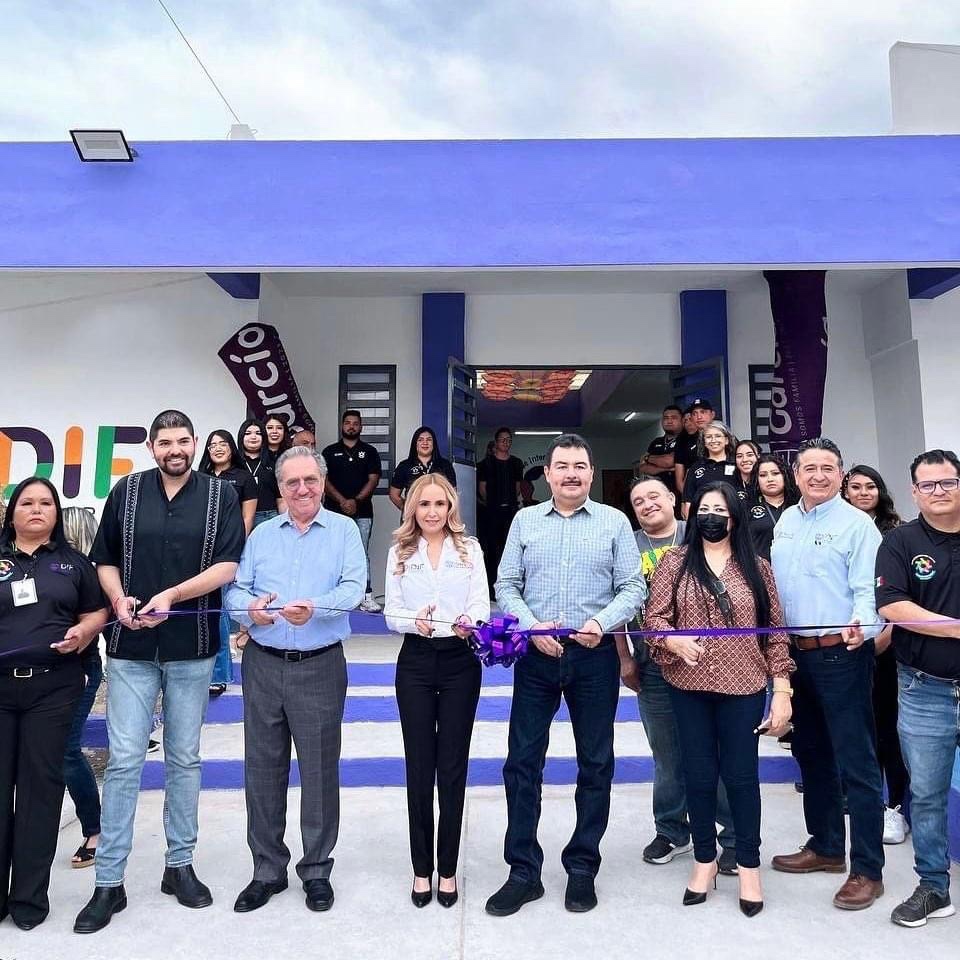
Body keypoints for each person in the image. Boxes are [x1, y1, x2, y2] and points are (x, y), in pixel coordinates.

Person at [75, 410, 244, 935]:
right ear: (151, 447)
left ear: (195, 443)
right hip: (129, 647)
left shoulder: (220, 495)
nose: (175, 449)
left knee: (184, 759)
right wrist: (117, 597)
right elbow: (104, 559)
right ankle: (109, 882)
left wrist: (172, 595)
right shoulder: (126, 492)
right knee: (125, 761)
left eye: (183, 440)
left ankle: (179, 866)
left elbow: (227, 566)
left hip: (192, 645)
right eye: (165, 442)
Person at [485, 433, 643, 917]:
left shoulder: (615, 522)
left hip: (594, 657)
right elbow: (506, 584)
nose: (571, 474)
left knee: (595, 763)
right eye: (562, 466)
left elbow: (632, 587)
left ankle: (582, 866)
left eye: (580, 466)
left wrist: (601, 623)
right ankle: (523, 871)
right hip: (536, 656)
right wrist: (531, 627)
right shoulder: (525, 521)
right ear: (548, 474)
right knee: (521, 762)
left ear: (591, 473)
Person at [225, 446, 365, 916]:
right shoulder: (262, 535)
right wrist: (250, 610)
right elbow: (236, 590)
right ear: (280, 488)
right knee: (262, 770)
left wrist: (316, 608)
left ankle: (317, 869)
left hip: (320, 665)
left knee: (320, 770)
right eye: (292, 482)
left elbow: (353, 589)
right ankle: (267, 869)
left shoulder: (344, 531)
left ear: (322, 482)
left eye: (310, 480)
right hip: (263, 664)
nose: (302, 489)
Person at [645, 482, 793, 916]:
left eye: (720, 510)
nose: (711, 516)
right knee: (698, 775)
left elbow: (775, 633)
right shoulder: (675, 561)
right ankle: (704, 860)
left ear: (734, 518)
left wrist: (782, 690)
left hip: (743, 685)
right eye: (704, 509)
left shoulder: (757, 568)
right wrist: (672, 641)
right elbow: (653, 620)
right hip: (688, 686)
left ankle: (748, 865)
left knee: (742, 778)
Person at [769, 437, 885, 911]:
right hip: (795, 657)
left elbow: (868, 591)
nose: (818, 475)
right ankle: (826, 847)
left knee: (856, 762)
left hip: (842, 654)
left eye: (828, 468)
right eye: (809, 468)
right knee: (811, 752)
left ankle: (868, 869)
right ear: (796, 475)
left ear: (841, 474)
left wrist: (864, 627)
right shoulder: (786, 521)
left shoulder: (858, 525)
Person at [0, 478, 107, 930]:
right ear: (12, 512)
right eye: (27, 502)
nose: (37, 509)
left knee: (40, 794)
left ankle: (28, 900)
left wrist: (85, 631)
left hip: (53, 688)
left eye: (46, 503)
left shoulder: (73, 563)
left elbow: (97, 611)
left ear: (57, 513)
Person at [620, 478, 740, 875]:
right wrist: (625, 658)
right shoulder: (627, 544)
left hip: (709, 661)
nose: (647, 504)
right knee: (667, 753)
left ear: (673, 499)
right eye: (638, 500)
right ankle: (672, 829)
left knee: (715, 750)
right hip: (652, 662)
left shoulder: (702, 531)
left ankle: (733, 836)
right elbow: (618, 603)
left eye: (654, 496)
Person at [383, 474, 489, 908]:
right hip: (415, 661)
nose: (432, 512)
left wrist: (471, 622)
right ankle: (420, 868)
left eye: (440, 504)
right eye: (424, 504)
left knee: (452, 768)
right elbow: (391, 611)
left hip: (460, 661)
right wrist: (414, 621)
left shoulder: (470, 549)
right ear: (413, 508)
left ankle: (447, 869)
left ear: (451, 508)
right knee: (419, 767)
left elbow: (481, 602)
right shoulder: (399, 551)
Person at [875, 450, 960, 928]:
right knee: (926, 794)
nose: (938, 492)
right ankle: (933, 886)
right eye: (927, 485)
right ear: (913, 492)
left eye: (947, 482)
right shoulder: (900, 541)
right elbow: (892, 606)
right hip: (925, 689)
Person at [842, 465, 909, 846]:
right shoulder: (839, 528)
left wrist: (886, 633)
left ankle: (894, 805)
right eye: (856, 487)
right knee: (856, 725)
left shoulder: (897, 533)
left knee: (887, 727)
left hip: (887, 642)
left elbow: (905, 592)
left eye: (871, 486)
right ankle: (858, 795)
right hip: (848, 641)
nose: (864, 492)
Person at [198, 430, 259, 696]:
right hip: (199, 552)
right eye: (212, 445)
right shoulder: (199, 477)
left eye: (222, 443)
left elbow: (247, 518)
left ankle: (219, 674)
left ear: (232, 447)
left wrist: (234, 548)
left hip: (226, 552)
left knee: (218, 611)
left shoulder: (243, 477)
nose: (217, 448)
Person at [61, 506, 105, 869]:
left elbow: (91, 626)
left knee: (66, 751)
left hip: (79, 669)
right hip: (42, 671)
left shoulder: (88, 572)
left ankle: (94, 829)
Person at [321, 410, 384, 614]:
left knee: (361, 553)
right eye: (347, 423)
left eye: (355, 423)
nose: (351, 426)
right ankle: (333, 596)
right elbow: (323, 480)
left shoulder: (370, 451)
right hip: (333, 511)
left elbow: (373, 479)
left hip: (362, 511)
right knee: (333, 553)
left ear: (361, 426)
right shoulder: (329, 451)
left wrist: (355, 501)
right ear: (342, 426)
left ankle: (366, 596)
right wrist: (342, 501)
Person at [476, 427, 524, 593]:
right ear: (496, 442)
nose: (506, 442)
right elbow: (482, 488)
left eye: (509, 440)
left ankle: (510, 587)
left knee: (510, 549)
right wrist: (491, 503)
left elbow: (517, 488)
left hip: (510, 512)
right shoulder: (485, 464)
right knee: (490, 550)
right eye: (503, 439)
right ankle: (490, 588)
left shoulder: (516, 463)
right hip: (491, 513)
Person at [389, 426, 457, 510]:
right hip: (413, 515)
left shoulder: (445, 465)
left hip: (439, 513)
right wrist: (408, 510)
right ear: (415, 444)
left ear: (434, 444)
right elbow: (394, 495)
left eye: (429, 440)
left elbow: (453, 494)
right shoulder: (404, 466)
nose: (425, 443)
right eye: (420, 440)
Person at [747, 455, 800, 560]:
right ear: (756, 480)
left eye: (775, 473)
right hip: (760, 568)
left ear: (785, 475)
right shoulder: (746, 508)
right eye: (763, 475)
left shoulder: (800, 505)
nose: (770, 479)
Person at [681, 420, 738, 517]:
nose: (713, 440)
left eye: (718, 436)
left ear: (726, 440)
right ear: (704, 442)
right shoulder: (696, 468)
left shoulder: (737, 465)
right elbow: (687, 503)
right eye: (708, 437)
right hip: (703, 521)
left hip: (733, 520)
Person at [238, 418, 283, 527]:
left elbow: (281, 499)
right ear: (241, 437)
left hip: (269, 517)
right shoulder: (234, 462)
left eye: (258, 433)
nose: (253, 437)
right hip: (239, 516)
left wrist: (285, 521)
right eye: (248, 433)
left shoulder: (275, 461)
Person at [633, 405, 683, 495]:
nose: (669, 421)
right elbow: (643, 468)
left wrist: (648, 458)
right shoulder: (656, 442)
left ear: (682, 420)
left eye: (674, 418)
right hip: (658, 493)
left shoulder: (686, 440)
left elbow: (669, 461)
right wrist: (665, 469)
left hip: (679, 494)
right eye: (666, 418)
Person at [674, 398, 715, 494]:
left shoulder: (724, 436)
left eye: (703, 412)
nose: (699, 417)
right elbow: (683, 480)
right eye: (694, 413)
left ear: (712, 414)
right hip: (697, 495)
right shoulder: (687, 442)